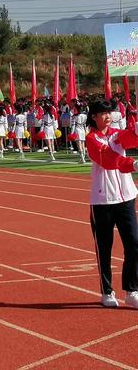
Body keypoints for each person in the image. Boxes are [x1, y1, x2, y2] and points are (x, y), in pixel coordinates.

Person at [85, 99, 138, 308]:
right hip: (102, 200)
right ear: (94, 117)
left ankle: (132, 290)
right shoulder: (91, 138)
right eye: (102, 113)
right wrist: (132, 164)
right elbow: (108, 160)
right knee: (104, 247)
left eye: (109, 112)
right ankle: (107, 291)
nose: (107, 116)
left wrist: (135, 130)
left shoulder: (117, 133)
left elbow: (129, 139)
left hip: (126, 197)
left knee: (134, 244)